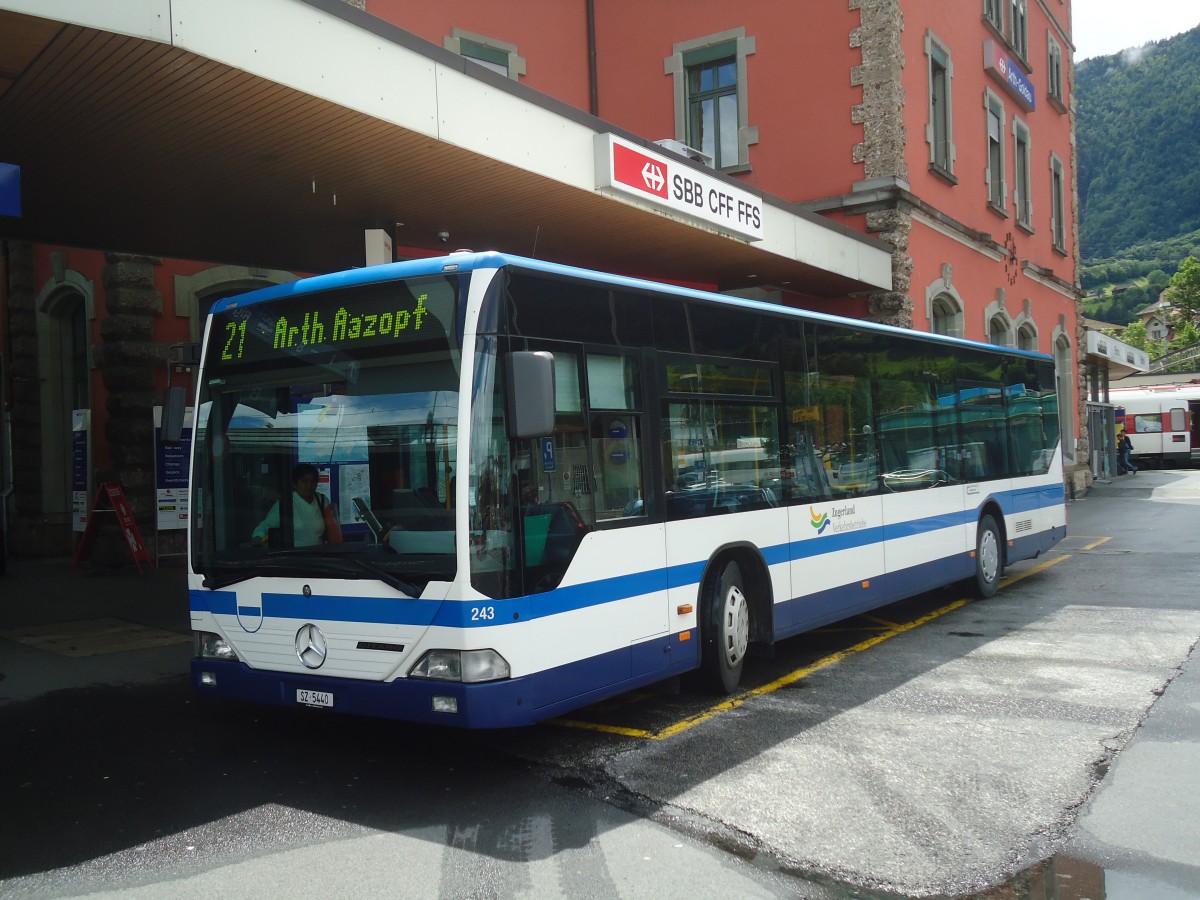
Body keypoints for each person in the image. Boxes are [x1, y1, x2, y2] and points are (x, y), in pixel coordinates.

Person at [252, 463, 336, 546]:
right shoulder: (287, 502)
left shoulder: (321, 500)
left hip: (319, 554)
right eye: (304, 481)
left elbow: (332, 529)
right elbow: (266, 526)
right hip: (295, 556)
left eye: (313, 481)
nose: (309, 485)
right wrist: (258, 537)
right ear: (295, 484)